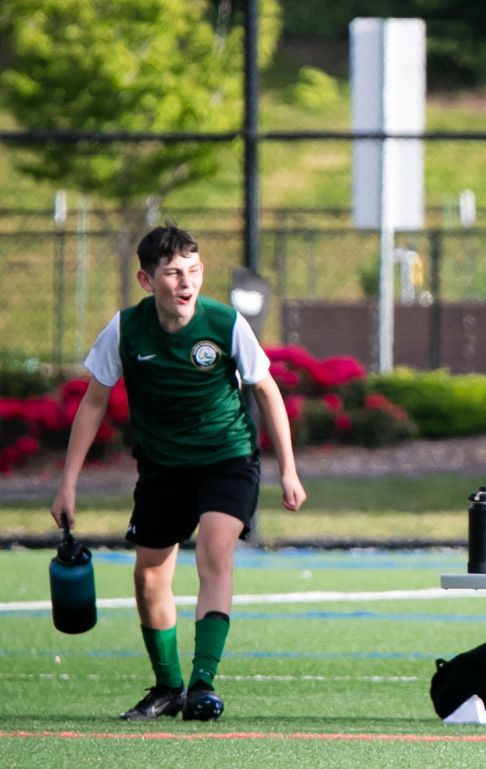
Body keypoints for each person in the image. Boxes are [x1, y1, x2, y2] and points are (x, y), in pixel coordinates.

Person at [50, 224, 306, 722]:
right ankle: (167, 687)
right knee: (149, 576)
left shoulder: (225, 322)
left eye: (192, 271)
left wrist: (289, 471)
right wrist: (67, 483)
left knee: (215, 549)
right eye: (172, 273)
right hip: (163, 467)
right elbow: (94, 401)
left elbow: (267, 390)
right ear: (148, 281)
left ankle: (203, 684)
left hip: (226, 457)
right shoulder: (125, 329)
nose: (185, 282)